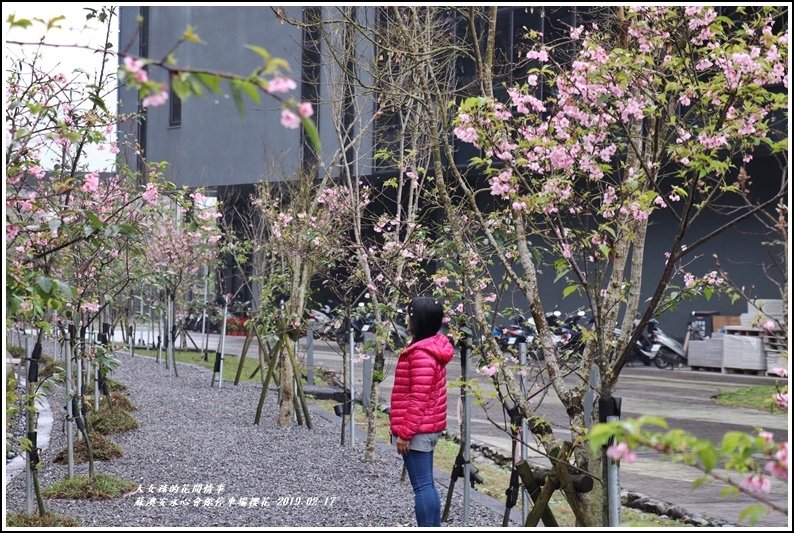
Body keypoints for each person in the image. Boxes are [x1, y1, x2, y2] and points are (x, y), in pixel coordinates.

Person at [390, 297, 454, 527]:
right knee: (426, 484)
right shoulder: (430, 345)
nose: (407, 319)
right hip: (426, 425)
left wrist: (405, 433)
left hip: (418, 429)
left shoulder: (421, 354)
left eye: (410, 315)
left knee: (423, 486)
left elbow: (419, 397)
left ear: (419, 320)